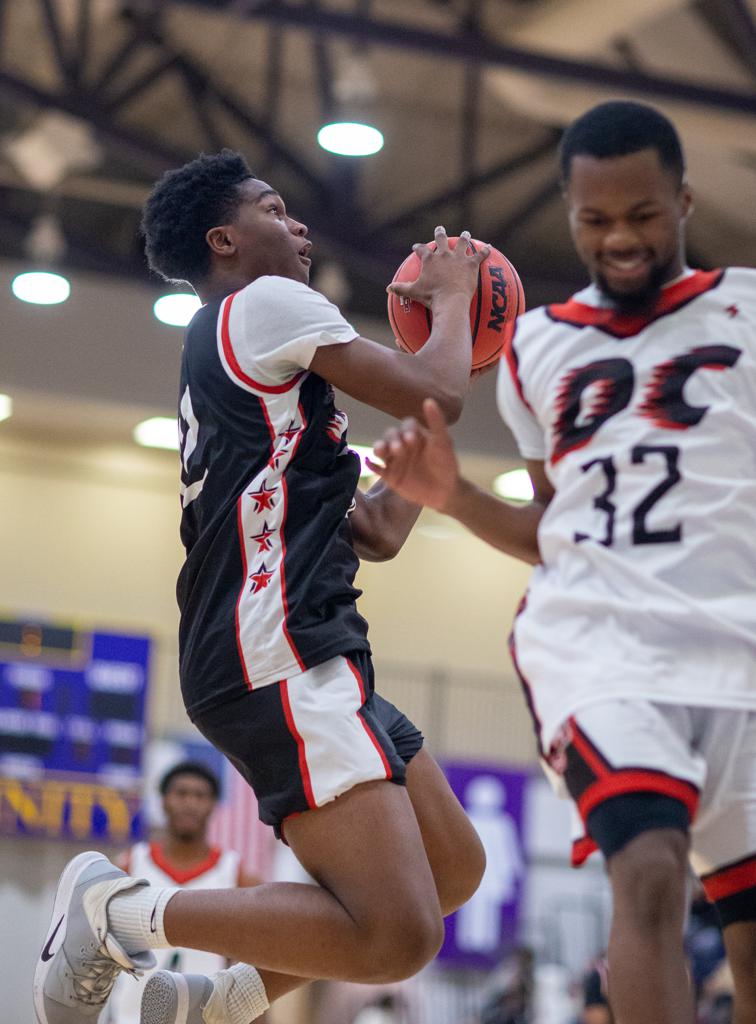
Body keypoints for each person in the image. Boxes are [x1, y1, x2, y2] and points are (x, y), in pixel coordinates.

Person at [33, 151, 487, 1024]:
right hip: (276, 649)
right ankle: (118, 910)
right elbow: (437, 390)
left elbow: (381, 531)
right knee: (399, 937)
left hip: (304, 643)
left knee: (453, 870)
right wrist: (457, 298)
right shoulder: (263, 306)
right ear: (226, 240)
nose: (302, 225)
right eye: (278, 209)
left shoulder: (268, 380)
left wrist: (424, 452)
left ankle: (209, 1002)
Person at [367, 101, 756, 1024]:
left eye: (644, 216)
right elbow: (555, 529)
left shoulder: (747, 308)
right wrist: (451, 495)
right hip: (603, 646)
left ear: (685, 200)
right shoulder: (536, 347)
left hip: (738, 646)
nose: (619, 238)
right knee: (651, 872)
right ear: (571, 211)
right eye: (595, 220)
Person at [105, 761, 258, 1023]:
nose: (190, 803)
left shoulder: (236, 874)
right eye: (181, 793)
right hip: (129, 1015)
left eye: (200, 796)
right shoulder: (130, 865)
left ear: (213, 806)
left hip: (205, 1016)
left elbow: (253, 964)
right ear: (164, 801)